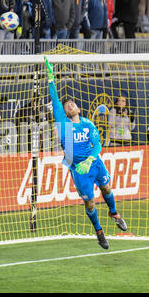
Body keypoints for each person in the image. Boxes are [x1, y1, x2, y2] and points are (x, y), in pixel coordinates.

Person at [44, 57, 127, 250]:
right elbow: (55, 100)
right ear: (64, 112)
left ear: (78, 108)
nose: (70, 105)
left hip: (94, 163)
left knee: (106, 188)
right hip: (79, 169)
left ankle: (114, 214)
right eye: (67, 105)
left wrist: (90, 159)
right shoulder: (63, 124)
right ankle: (99, 232)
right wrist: (50, 79)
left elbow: (97, 146)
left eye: (72, 103)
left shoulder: (88, 123)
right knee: (90, 203)